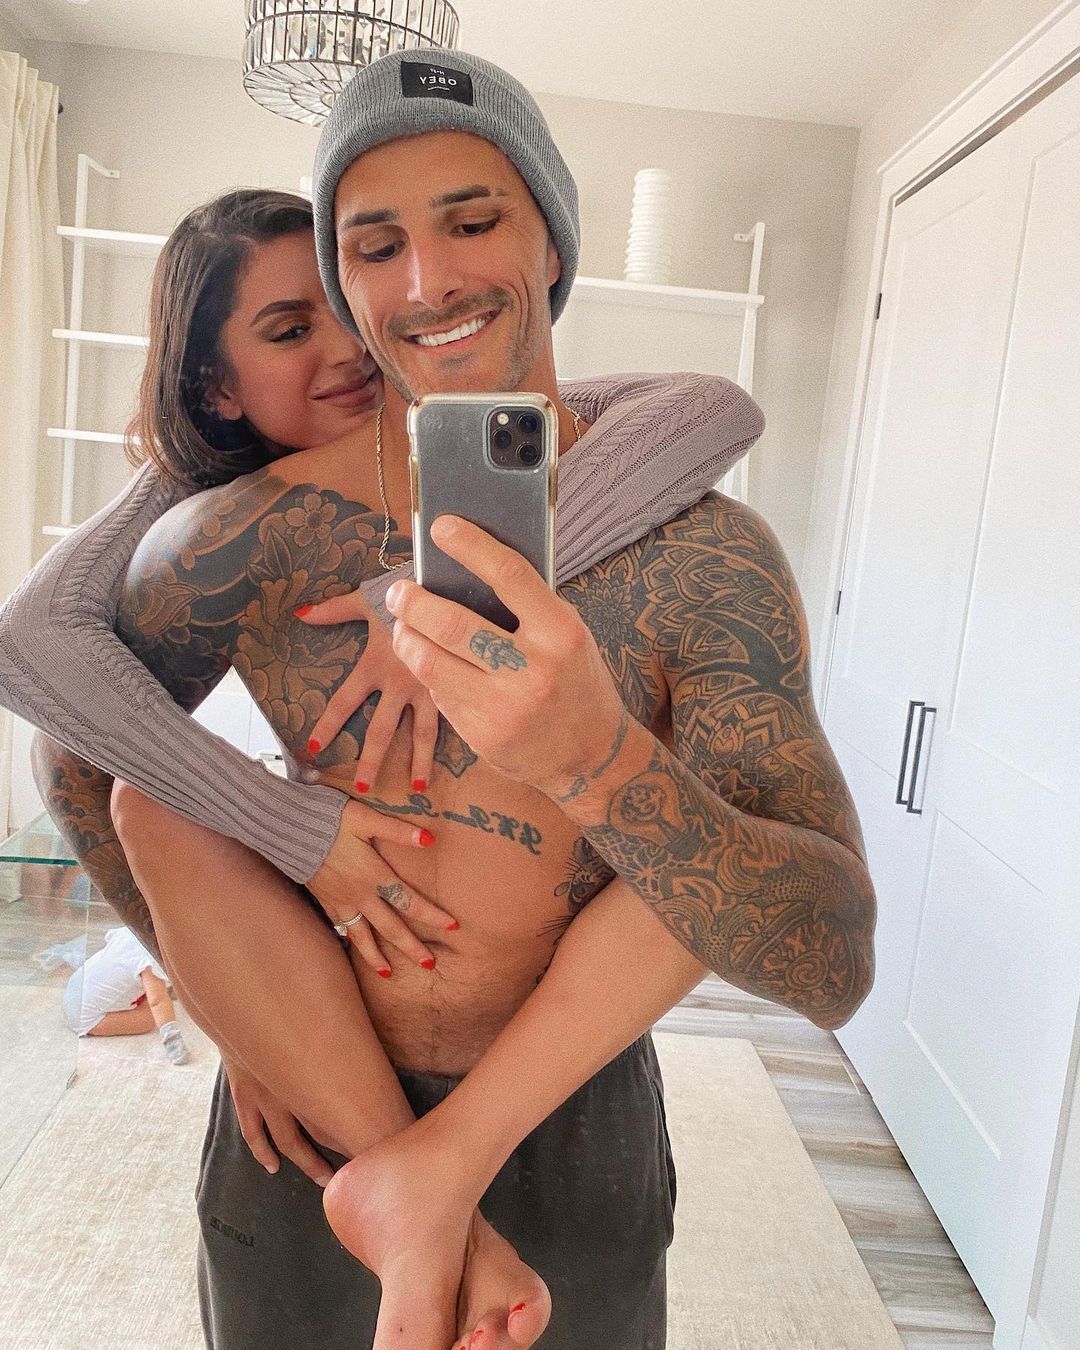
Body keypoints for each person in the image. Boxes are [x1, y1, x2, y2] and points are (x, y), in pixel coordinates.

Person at [104, 49, 876, 1350]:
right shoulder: (249, 538)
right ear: (345, 280)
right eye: (375, 245)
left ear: (550, 240)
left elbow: (834, 964)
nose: (427, 282)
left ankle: (434, 1186)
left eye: (473, 222)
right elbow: (90, 764)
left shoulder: (705, 559)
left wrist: (601, 763)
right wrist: (228, 997)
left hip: (572, 1127)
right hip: (308, 1124)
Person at [0, 186, 766, 1345]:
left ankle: (425, 1212)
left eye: (339, 306)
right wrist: (242, 962)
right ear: (217, 387)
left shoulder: (476, 430)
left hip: (554, 1042)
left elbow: (714, 406)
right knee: (155, 808)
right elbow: (49, 691)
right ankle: (428, 1216)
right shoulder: (204, 509)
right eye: (286, 328)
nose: (347, 347)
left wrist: (437, 595)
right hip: (320, 997)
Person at [61, 925, 190, 1064]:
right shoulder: (149, 961)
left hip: (75, 987)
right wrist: (173, 1041)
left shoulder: (131, 930)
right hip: (84, 1018)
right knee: (149, 1019)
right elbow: (158, 1002)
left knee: (145, 984)